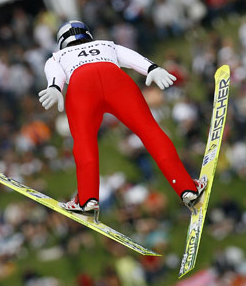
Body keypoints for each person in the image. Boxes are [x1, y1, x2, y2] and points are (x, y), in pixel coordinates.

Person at [39, 21, 206, 215]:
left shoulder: (57, 56)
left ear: (62, 42)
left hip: (82, 88)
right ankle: (186, 188)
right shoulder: (105, 44)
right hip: (116, 81)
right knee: (150, 131)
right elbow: (130, 56)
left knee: (84, 142)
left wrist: (54, 87)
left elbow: (55, 73)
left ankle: (87, 199)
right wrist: (152, 68)